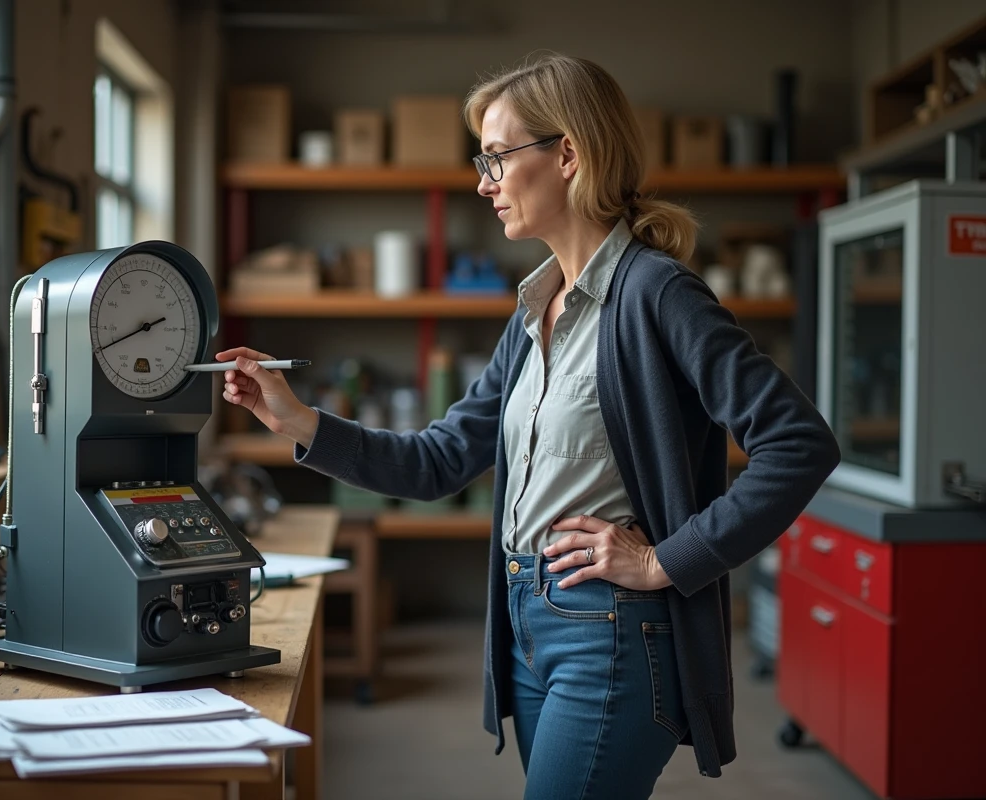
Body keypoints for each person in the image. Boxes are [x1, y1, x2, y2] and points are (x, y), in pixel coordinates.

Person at [216, 52, 839, 800]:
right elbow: (439, 460)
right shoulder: (536, 311)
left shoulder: (657, 295)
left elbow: (798, 443)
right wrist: (295, 418)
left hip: (609, 630)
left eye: (498, 157)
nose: (484, 183)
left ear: (568, 154)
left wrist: (667, 560)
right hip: (524, 624)